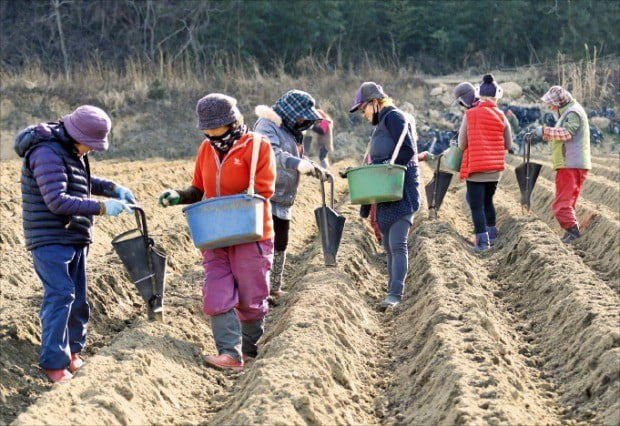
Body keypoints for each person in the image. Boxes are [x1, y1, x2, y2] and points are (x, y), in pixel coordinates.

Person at [14, 105, 136, 383]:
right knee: (60, 295)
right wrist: (103, 207)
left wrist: (112, 187)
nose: (91, 150)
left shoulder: (69, 149)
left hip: (75, 235)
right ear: (75, 134)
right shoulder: (45, 151)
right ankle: (53, 363)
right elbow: (57, 200)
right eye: (89, 144)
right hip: (50, 237)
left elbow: (80, 181)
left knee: (78, 297)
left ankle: (72, 352)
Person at [158, 94, 276, 371]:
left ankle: (252, 353)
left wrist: (230, 204)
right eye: (205, 128)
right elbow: (198, 189)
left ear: (232, 122)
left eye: (215, 127)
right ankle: (229, 353)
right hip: (214, 234)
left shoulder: (258, 146)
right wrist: (178, 195)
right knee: (216, 291)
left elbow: (264, 191)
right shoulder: (206, 148)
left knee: (250, 297)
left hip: (251, 232)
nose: (209, 133)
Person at [350, 81, 420, 310]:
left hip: (400, 190)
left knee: (398, 244)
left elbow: (407, 149)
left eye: (364, 109)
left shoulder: (394, 117)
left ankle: (395, 294)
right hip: (385, 192)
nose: (363, 114)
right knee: (389, 246)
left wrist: (389, 168)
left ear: (375, 102)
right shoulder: (380, 124)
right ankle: (392, 290)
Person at [254, 90, 328, 300]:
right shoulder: (266, 124)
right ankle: (259, 290)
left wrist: (314, 168)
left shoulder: (294, 131)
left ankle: (274, 287)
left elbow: (298, 157)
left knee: (281, 242)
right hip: (264, 193)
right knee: (262, 244)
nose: (304, 120)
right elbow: (270, 153)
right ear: (290, 111)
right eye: (301, 115)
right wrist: (297, 163)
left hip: (284, 197)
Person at [457, 74, 513, 251]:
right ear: (497, 96)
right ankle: (493, 235)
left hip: (476, 169)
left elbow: (461, 143)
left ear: (479, 95)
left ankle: (482, 243)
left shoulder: (470, 114)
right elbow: (509, 144)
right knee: (488, 202)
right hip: (495, 170)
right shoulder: (501, 116)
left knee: (476, 206)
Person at [533, 86, 591, 243]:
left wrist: (544, 130)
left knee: (561, 204)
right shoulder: (569, 111)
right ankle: (570, 232)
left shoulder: (573, 112)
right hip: (572, 163)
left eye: (551, 104)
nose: (550, 107)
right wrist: (546, 134)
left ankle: (573, 233)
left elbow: (567, 133)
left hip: (570, 164)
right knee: (568, 201)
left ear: (558, 103)